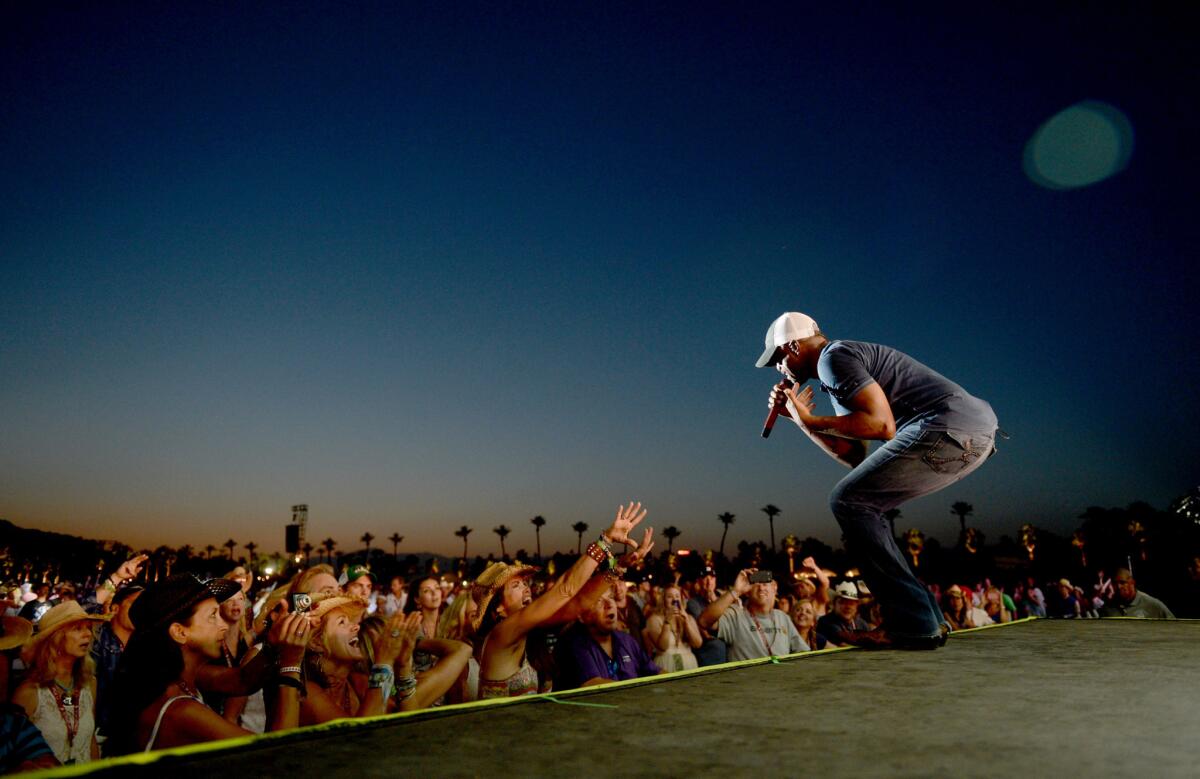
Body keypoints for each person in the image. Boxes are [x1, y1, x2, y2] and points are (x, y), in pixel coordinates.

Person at [759, 311, 998, 649]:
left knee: (847, 502)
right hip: (972, 433)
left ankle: (913, 623)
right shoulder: (838, 373)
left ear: (793, 346)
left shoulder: (833, 357)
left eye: (778, 359)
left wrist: (810, 419)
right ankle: (928, 619)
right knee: (861, 502)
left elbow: (882, 426)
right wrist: (802, 422)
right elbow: (855, 455)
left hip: (947, 426)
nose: (778, 369)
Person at [103, 574, 310, 755]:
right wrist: (291, 664)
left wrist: (273, 643)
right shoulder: (180, 710)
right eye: (213, 616)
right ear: (180, 632)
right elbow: (277, 753)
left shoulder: (180, 676)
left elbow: (241, 680)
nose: (223, 625)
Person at [474, 502, 652, 698]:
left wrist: (618, 568)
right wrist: (605, 540)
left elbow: (579, 602)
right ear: (498, 608)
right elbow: (565, 589)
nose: (526, 588)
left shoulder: (531, 630)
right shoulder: (501, 634)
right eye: (515, 586)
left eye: (524, 583)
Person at [13, 602, 107, 763]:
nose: (88, 634)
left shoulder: (89, 684)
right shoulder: (29, 692)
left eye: (88, 628)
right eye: (78, 629)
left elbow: (89, 740)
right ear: (56, 638)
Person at [554, 587, 661, 690]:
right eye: (598, 600)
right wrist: (638, 694)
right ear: (581, 616)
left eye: (611, 597)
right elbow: (592, 684)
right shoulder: (573, 644)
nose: (609, 604)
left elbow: (656, 672)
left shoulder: (626, 640)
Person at [698, 569, 807, 661]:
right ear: (747, 591)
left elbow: (803, 653)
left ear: (774, 587)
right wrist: (736, 591)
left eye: (765, 583)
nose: (761, 588)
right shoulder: (736, 616)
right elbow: (704, 621)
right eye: (755, 584)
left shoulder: (783, 617)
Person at [91, 585, 142, 738]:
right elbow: (84, 610)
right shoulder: (95, 638)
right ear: (115, 608)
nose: (141, 609)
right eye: (135, 603)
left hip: (129, 736)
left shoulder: (145, 646)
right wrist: (115, 579)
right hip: (96, 732)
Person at [643, 585, 701, 672]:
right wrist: (667, 622)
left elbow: (697, 644)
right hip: (666, 665)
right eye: (670, 596)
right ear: (663, 600)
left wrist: (686, 622)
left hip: (689, 665)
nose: (675, 600)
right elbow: (663, 647)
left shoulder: (688, 618)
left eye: (677, 596)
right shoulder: (654, 619)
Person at [1098, 569, 1174, 619]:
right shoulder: (1107, 609)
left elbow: (1175, 626)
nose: (1118, 587)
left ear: (1132, 583)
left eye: (1123, 582)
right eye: (1115, 583)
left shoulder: (1152, 605)